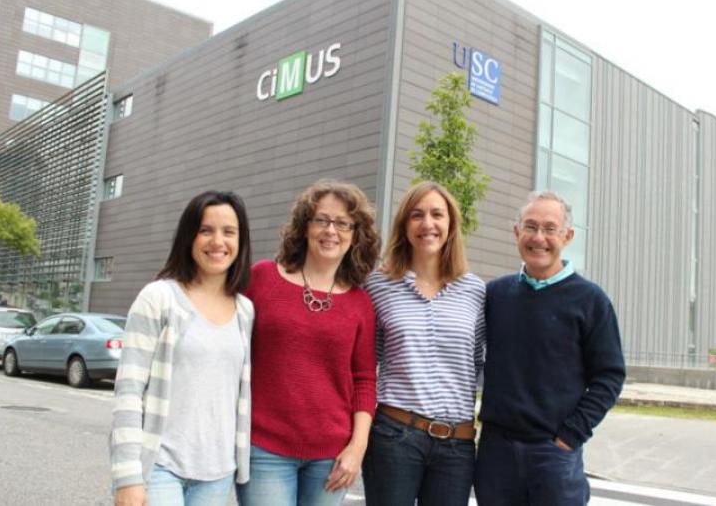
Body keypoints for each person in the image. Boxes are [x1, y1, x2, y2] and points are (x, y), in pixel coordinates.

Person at [474, 190, 626, 506]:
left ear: (567, 236)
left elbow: (610, 375)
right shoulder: (495, 295)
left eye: (549, 229)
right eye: (530, 227)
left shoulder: (591, 301)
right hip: (496, 455)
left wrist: (571, 435)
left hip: (553, 455)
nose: (538, 238)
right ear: (516, 232)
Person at [236, 180, 380, 506]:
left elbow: (364, 381)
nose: (331, 230)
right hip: (264, 448)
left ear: (355, 235)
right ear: (304, 226)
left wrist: (357, 448)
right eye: (321, 220)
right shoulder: (262, 278)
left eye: (343, 223)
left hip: (332, 455)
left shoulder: (360, 303)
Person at [110, 191, 254, 506]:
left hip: (217, 474)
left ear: (241, 241)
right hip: (159, 467)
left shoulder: (245, 310)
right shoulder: (159, 298)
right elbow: (129, 391)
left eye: (229, 232)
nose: (218, 241)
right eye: (206, 230)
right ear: (189, 237)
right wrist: (128, 478)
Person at [361, 181, 485, 506]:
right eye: (417, 215)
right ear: (404, 225)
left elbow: (477, 362)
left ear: (451, 224)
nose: (427, 223)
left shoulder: (474, 290)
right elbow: (366, 362)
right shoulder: (379, 284)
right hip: (395, 435)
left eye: (437, 214)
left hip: (457, 445)